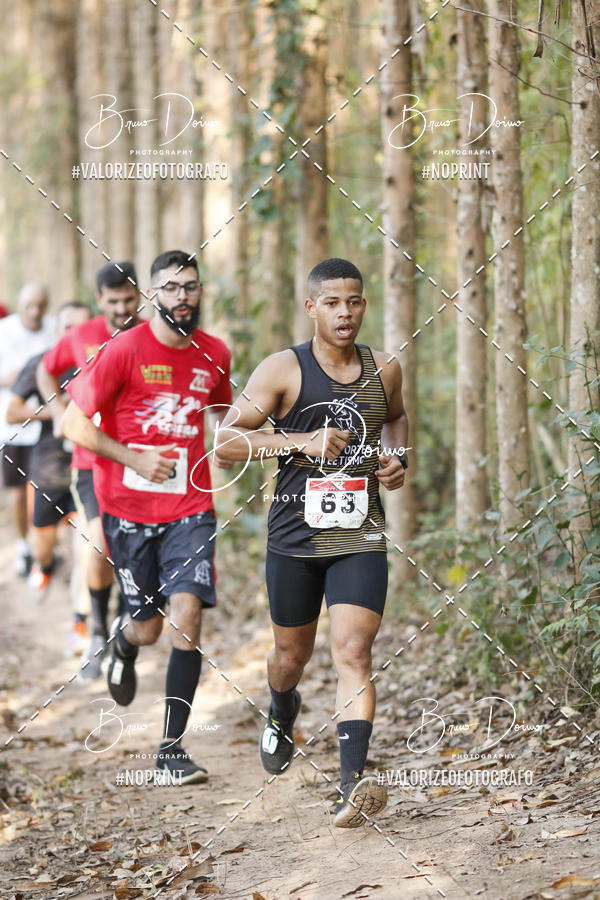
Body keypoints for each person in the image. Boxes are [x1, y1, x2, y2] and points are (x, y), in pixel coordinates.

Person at [216, 258, 408, 827]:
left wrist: (397, 459)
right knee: (290, 657)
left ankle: (353, 784)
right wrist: (302, 441)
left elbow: (395, 419)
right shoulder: (283, 369)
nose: (344, 312)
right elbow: (225, 442)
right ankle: (280, 708)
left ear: (364, 306)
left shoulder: (385, 368)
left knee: (353, 651)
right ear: (311, 308)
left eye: (353, 301)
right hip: (294, 537)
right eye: (332, 302)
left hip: (360, 533)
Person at [62, 249, 233, 784]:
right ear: (152, 295)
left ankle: (172, 750)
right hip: (128, 510)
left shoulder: (216, 354)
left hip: (191, 509)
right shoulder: (120, 351)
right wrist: (135, 457)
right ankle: (121, 642)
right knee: (148, 628)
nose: (183, 296)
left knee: (188, 615)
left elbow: (227, 423)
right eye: (172, 287)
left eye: (192, 286)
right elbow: (73, 424)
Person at [38, 262, 142, 678]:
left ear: (140, 297)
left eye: (128, 300)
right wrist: (57, 409)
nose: (121, 308)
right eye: (113, 301)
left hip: (142, 464)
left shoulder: (152, 336)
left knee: (132, 553)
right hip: (91, 461)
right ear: (99, 300)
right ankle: (97, 630)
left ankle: (121, 621)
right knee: (98, 544)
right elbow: (47, 368)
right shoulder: (80, 335)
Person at [6, 301, 92, 646]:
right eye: (68, 326)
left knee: (89, 547)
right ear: (57, 329)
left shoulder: (101, 359)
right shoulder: (41, 363)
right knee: (44, 546)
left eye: (82, 327)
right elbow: (12, 413)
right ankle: (43, 564)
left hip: (89, 467)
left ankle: (83, 622)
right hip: (49, 468)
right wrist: (58, 414)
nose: (74, 334)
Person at [0, 283, 55, 576]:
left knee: (43, 489)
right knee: (18, 493)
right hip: (11, 427)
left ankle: (43, 547)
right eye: (29, 306)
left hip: (46, 426)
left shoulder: (55, 328)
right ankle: (23, 545)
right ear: (18, 306)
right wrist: (13, 379)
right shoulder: (3, 331)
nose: (35, 312)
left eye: (41, 306)